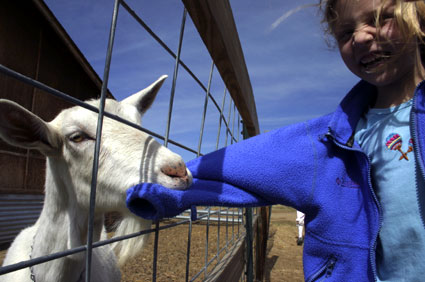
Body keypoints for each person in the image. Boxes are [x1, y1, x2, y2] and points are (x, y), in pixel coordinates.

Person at [126, 0, 425, 281]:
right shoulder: (324, 144)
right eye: (345, 32)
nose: (359, 37)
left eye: (379, 18)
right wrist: (160, 185)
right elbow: (234, 167)